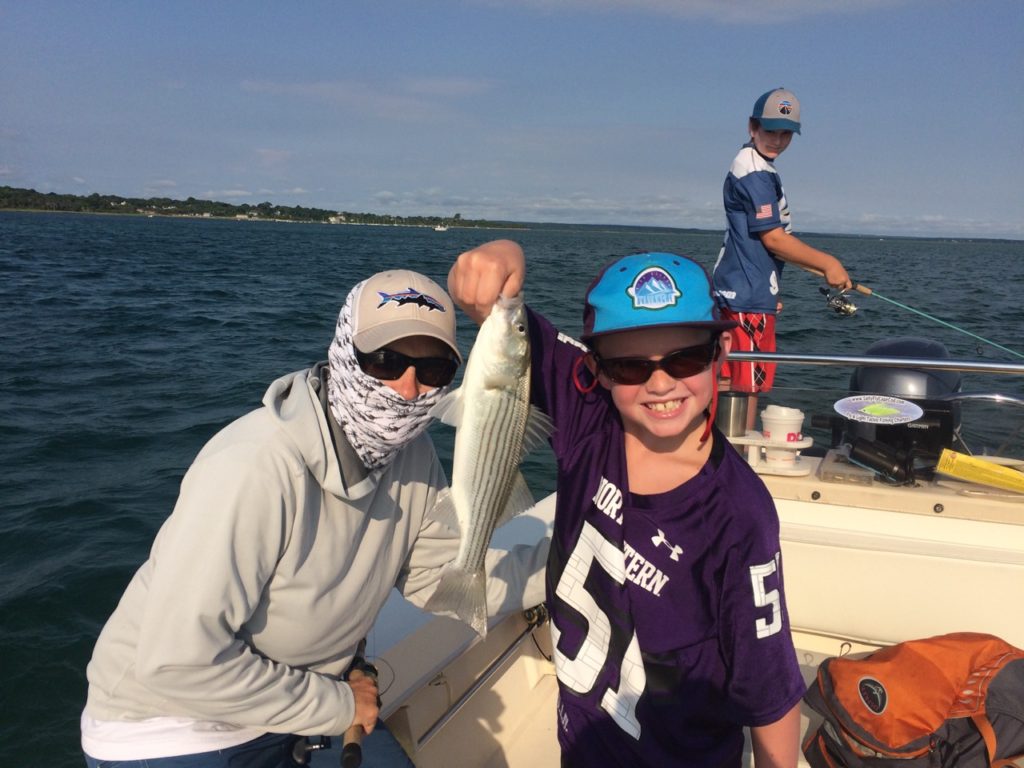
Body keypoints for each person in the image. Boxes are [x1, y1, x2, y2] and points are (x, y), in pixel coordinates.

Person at [81, 269, 549, 768]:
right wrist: (338, 704)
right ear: (345, 352)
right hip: (169, 729)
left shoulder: (414, 455)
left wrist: (568, 563)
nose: (408, 387)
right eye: (385, 361)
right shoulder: (253, 465)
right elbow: (176, 663)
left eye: (433, 368)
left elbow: (437, 578)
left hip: (308, 701)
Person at [449, 241, 806, 767]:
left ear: (721, 355)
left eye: (686, 357)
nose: (661, 382)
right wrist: (500, 258)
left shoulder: (738, 514)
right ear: (598, 369)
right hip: (584, 748)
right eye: (631, 366)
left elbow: (767, 683)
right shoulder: (587, 416)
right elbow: (503, 318)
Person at [713, 87, 853, 429]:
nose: (777, 139)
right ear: (752, 126)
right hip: (744, 294)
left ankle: (728, 458)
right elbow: (774, 238)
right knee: (742, 385)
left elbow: (768, 242)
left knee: (740, 380)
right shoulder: (756, 173)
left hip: (749, 291)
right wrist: (828, 263)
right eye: (769, 130)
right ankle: (733, 460)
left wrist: (779, 287)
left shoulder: (758, 165)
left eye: (785, 133)